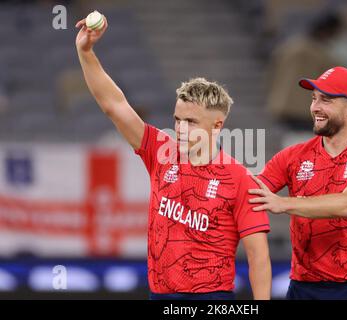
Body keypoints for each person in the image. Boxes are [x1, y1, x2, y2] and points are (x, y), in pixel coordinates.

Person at [75, 14, 271, 300]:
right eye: (177, 119)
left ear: (217, 125)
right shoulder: (161, 152)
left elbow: (259, 258)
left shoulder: (240, 179)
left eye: (191, 122)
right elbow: (114, 105)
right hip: (160, 295)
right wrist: (86, 52)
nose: (180, 128)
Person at [249, 66, 347, 300]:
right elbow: (248, 193)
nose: (315, 107)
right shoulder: (292, 156)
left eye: (326, 100)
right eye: (314, 99)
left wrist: (284, 203)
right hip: (303, 286)